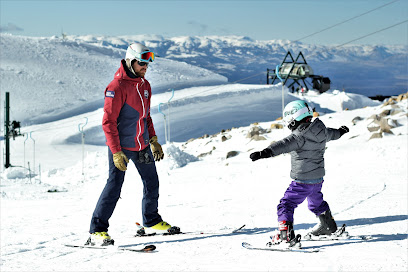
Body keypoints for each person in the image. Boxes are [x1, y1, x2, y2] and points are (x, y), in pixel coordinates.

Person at [87, 42, 179, 246]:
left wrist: (153, 140)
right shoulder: (116, 87)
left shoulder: (145, 85)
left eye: (147, 64)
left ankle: (151, 221)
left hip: (142, 144)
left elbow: (146, 117)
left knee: (152, 183)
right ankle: (97, 231)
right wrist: (116, 151)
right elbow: (108, 122)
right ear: (130, 61)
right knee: (114, 187)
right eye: (141, 63)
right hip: (121, 147)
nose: (145, 67)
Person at [249, 100, 349, 245]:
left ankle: (286, 236)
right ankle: (328, 227)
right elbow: (334, 134)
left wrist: (264, 153)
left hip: (302, 181)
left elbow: (282, 145)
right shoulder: (321, 131)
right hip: (317, 179)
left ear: (293, 118)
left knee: (286, 204)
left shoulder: (299, 136)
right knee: (316, 203)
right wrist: (341, 131)